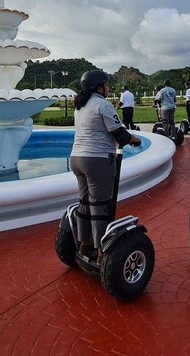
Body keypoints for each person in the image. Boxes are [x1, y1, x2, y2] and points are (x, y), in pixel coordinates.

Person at [71, 70, 141, 263]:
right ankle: (102, 251)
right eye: (107, 85)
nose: (109, 88)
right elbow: (120, 134)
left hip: (76, 158)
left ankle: (84, 243)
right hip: (97, 160)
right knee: (100, 204)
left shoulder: (80, 106)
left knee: (84, 202)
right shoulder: (103, 105)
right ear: (99, 87)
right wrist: (135, 140)